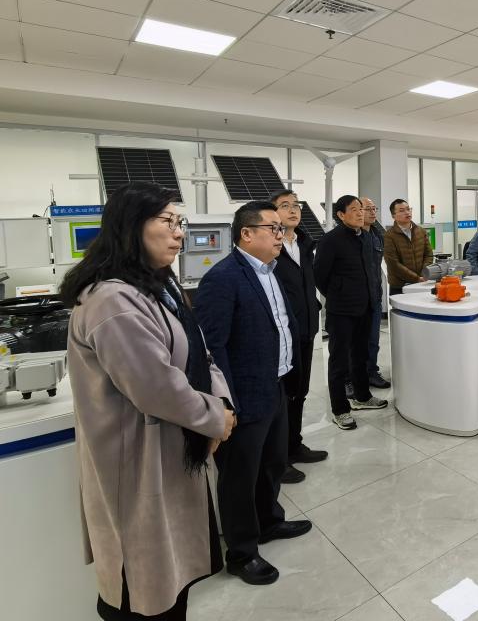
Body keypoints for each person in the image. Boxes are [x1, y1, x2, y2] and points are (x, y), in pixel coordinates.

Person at [61, 182, 235, 620]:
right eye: (168, 221)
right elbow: (157, 387)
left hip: (171, 451)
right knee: (141, 588)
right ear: (131, 226)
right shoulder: (111, 299)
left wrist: (222, 404)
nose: (179, 232)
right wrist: (215, 418)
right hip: (135, 462)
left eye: (180, 222)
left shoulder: (158, 287)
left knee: (171, 582)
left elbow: (199, 353)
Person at [195, 201, 312, 586]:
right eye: (273, 228)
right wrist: (226, 402)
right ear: (246, 234)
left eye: (281, 229)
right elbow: (213, 348)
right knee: (239, 477)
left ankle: (269, 522)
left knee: (272, 463)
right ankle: (242, 552)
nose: (281, 235)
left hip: (275, 384)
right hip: (243, 395)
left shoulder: (270, 271)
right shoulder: (223, 278)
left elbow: (280, 323)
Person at [313, 195, 389, 431]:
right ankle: (340, 410)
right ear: (341, 215)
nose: (360, 213)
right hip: (342, 310)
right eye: (354, 209)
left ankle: (362, 397)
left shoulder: (365, 237)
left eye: (361, 209)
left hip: (365, 307)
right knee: (339, 361)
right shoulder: (330, 240)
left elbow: (370, 271)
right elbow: (320, 276)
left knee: (361, 356)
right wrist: (339, 293)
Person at [269, 190, 328, 484]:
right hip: (280, 333)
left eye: (296, 205)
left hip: (306, 328)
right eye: (285, 206)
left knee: (300, 391)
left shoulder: (304, 244)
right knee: (282, 396)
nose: (293, 210)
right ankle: (278, 459)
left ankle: (294, 445)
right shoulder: (270, 247)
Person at [359, 196, 390, 390]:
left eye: (374, 209)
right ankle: (350, 378)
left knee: (373, 340)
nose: (372, 212)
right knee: (354, 342)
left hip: (374, 297)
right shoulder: (351, 236)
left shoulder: (377, 235)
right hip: (356, 300)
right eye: (367, 208)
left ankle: (371, 372)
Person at [383, 198, 433, 294]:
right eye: (402, 210)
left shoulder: (421, 231)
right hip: (400, 286)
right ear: (393, 216)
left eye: (408, 209)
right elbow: (393, 264)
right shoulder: (389, 236)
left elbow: (429, 255)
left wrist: (424, 273)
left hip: (422, 283)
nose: (407, 212)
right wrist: (416, 278)